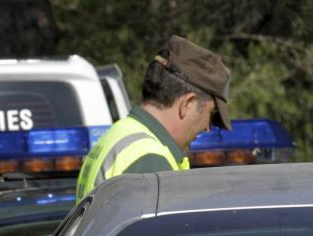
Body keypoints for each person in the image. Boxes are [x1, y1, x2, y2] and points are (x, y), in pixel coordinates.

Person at [76, 35, 232, 200]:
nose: (208, 127)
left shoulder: (120, 133)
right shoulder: (150, 162)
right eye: (211, 114)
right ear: (187, 103)